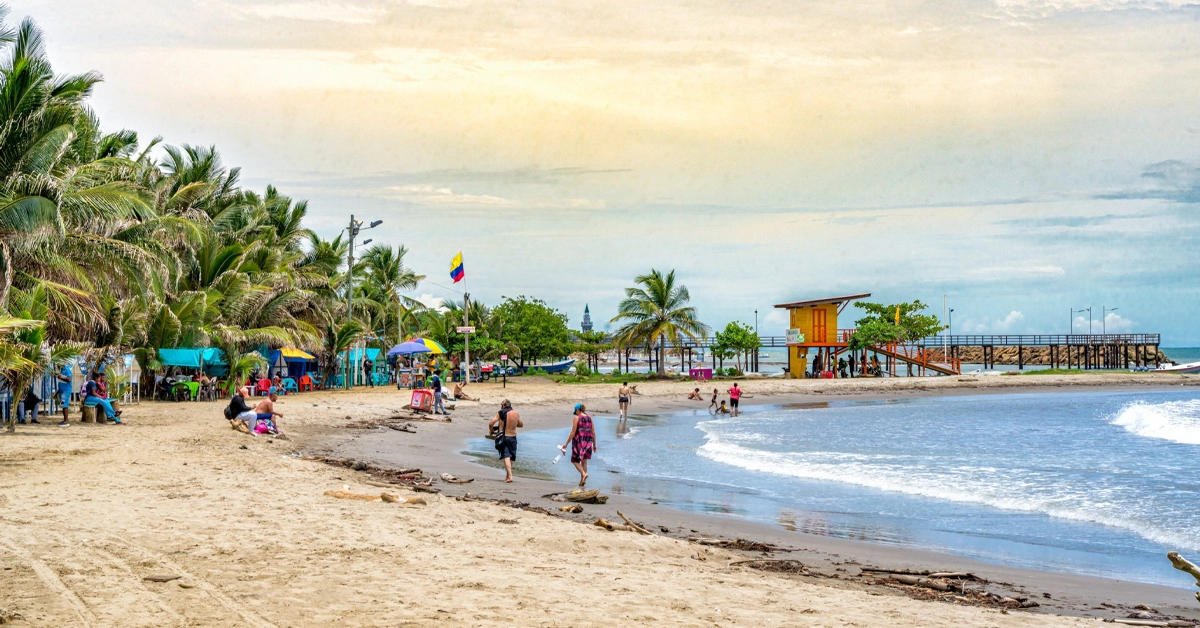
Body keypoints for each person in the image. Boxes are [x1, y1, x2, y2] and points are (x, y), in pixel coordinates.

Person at [561, 404, 595, 486]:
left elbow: (573, 432)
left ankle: (584, 474)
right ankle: (582, 481)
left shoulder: (577, 418)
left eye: (575, 412)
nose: (575, 413)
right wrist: (595, 444)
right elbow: (593, 432)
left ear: (577, 410)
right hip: (588, 442)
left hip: (579, 442)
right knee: (584, 462)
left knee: (574, 460)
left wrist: (566, 443)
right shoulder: (589, 418)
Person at [488, 400, 522, 483]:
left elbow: (491, 423)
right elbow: (520, 424)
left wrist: (492, 431)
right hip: (513, 437)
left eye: (501, 405)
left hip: (504, 437)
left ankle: (510, 476)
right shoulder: (516, 413)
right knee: (510, 457)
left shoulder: (501, 412)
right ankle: (507, 476)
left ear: (503, 405)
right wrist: (513, 423)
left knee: (506, 456)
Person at [56, 362, 72, 426]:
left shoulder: (66, 369)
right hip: (62, 391)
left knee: (64, 405)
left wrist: (60, 378)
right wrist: (57, 392)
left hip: (66, 391)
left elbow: (69, 379)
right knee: (63, 405)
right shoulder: (61, 370)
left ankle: (66, 421)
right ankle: (65, 420)